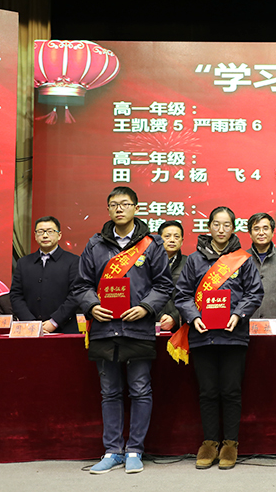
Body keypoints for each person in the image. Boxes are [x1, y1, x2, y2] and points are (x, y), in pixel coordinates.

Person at [73, 186, 173, 474]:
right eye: (114, 204)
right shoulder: (95, 245)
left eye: (125, 203)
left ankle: (135, 450)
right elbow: (81, 285)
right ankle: (112, 450)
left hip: (137, 327)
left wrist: (146, 307)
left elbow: (164, 284)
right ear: (108, 209)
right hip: (104, 329)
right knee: (110, 391)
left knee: (140, 389)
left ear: (136, 208)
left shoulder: (151, 244)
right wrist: (92, 306)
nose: (119, 208)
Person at [175, 206, 264, 470]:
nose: (221, 229)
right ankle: (210, 443)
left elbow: (254, 293)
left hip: (233, 336)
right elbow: (182, 294)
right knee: (208, 392)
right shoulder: (194, 260)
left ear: (233, 228)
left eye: (227, 225)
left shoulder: (243, 259)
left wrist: (238, 314)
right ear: (209, 227)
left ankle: (230, 443)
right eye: (216, 224)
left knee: (231, 391)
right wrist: (194, 317)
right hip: (202, 336)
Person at [9, 216, 80, 333]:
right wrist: (31, 323)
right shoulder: (23, 263)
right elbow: (16, 295)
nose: (45, 235)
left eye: (50, 231)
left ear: (59, 235)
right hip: (30, 330)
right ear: (35, 235)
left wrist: (54, 322)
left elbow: (75, 295)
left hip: (64, 329)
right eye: (40, 232)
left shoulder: (73, 261)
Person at [246, 212, 276, 332]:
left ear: (272, 232)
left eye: (265, 228)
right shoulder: (242, 259)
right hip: (246, 327)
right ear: (250, 233)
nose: (261, 233)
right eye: (256, 229)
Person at [157, 220, 187, 333]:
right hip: (152, 323)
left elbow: (194, 296)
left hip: (181, 326)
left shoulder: (189, 263)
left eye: (176, 236)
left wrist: (174, 317)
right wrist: (159, 316)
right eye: (167, 236)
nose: (172, 240)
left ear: (182, 241)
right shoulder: (149, 263)